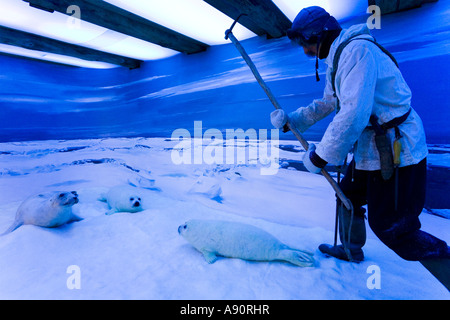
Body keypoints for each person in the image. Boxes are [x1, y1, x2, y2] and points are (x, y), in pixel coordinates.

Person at [271, 6, 449, 289]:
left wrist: (320, 156)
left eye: (307, 43)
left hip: (397, 147)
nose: (306, 51)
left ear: (322, 34)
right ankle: (352, 248)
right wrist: (294, 121)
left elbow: (353, 113)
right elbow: (330, 103)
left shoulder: (358, 52)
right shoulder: (339, 58)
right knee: (347, 195)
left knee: (394, 227)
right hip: (372, 146)